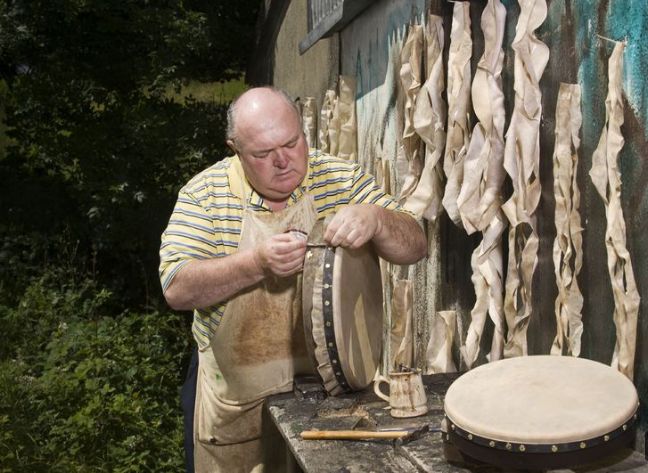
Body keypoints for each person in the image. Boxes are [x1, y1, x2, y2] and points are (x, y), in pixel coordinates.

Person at [159, 86, 427, 473]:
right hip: (240, 404)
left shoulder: (340, 178)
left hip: (335, 400)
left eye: (292, 143)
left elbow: (416, 245)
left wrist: (377, 219)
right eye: (263, 154)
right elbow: (176, 287)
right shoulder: (205, 196)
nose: (283, 161)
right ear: (234, 148)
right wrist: (255, 264)